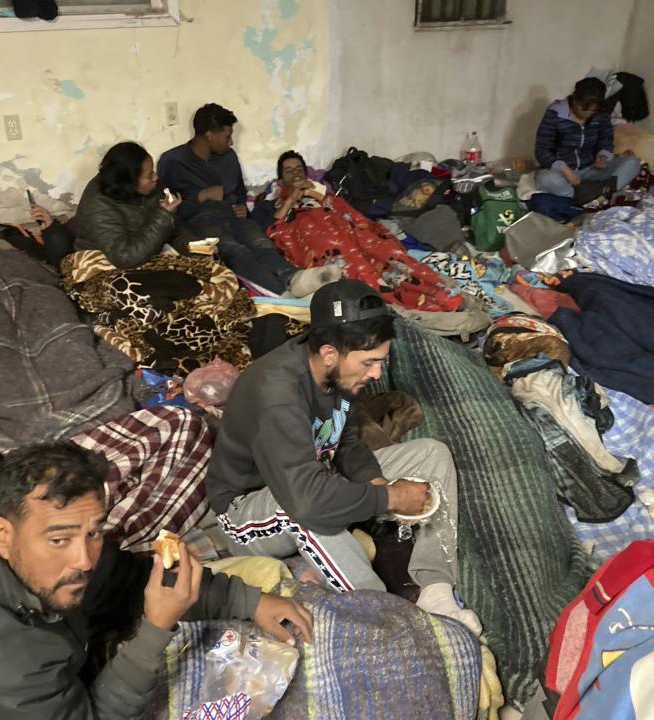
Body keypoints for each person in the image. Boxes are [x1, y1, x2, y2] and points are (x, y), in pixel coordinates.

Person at [0, 443, 312, 719]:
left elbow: (122, 578)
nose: (84, 558)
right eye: (59, 539)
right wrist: (154, 631)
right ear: (1, 535)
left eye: (93, 531)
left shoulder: (21, 550)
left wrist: (247, 600)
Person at [205, 278, 482, 636]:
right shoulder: (276, 394)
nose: (377, 373)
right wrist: (390, 498)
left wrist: (377, 483)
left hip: (316, 476)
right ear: (330, 353)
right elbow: (305, 502)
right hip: (245, 513)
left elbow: (345, 442)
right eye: (369, 362)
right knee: (309, 510)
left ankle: (435, 590)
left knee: (431, 454)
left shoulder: (337, 374)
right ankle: (387, 618)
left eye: (381, 361)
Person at [157, 103, 339, 296]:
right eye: (227, 136)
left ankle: (295, 278)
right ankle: (280, 294)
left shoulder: (228, 157)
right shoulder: (173, 161)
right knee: (236, 251)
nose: (232, 142)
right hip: (200, 221)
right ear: (210, 135)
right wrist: (201, 197)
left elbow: (240, 193)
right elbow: (166, 211)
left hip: (233, 216)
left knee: (262, 244)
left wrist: (243, 207)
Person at [250, 150, 461, 313]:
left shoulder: (323, 193)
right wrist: (291, 198)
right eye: (289, 170)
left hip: (343, 228)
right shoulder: (271, 202)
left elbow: (350, 214)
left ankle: (437, 291)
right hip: (316, 236)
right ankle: (380, 297)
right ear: (281, 179)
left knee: (385, 252)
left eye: (299, 169)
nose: (295, 173)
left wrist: (322, 198)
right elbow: (273, 226)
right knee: (346, 259)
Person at [74, 141, 195, 269]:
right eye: (149, 175)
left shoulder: (150, 187)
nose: (156, 177)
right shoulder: (98, 203)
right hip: (104, 264)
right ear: (130, 181)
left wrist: (193, 247)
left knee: (209, 273)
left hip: (147, 255)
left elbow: (173, 229)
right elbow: (125, 258)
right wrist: (164, 215)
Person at [534, 77, 641, 199]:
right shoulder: (555, 114)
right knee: (545, 179)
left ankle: (594, 192)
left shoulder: (601, 115)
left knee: (632, 162)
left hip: (591, 169)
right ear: (574, 99)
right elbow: (542, 150)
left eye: (592, 111)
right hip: (562, 172)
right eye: (583, 109)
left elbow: (606, 139)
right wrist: (565, 170)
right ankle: (585, 194)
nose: (587, 114)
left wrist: (603, 155)